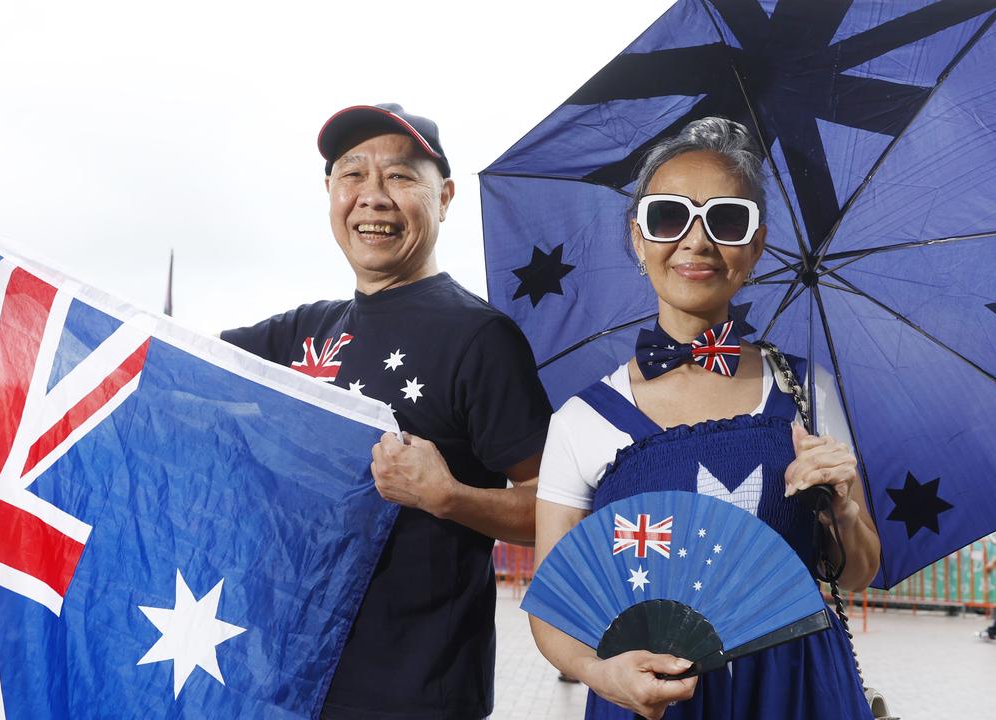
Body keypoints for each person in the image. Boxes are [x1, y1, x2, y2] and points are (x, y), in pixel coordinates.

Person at [528, 117, 880, 720]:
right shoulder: (582, 419)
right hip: (648, 697)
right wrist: (597, 673)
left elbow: (859, 573)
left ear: (757, 243)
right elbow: (551, 602)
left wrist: (844, 508)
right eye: (669, 217)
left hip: (795, 690)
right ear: (638, 238)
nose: (696, 241)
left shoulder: (807, 392)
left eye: (726, 219)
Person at [222, 103, 553, 719]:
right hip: (293, 682)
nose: (373, 197)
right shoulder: (300, 332)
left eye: (400, 177)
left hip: (417, 696)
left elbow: (554, 504)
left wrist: (449, 495)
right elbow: (155, 355)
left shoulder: (480, 337)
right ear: (329, 192)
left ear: (444, 197)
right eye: (353, 175)